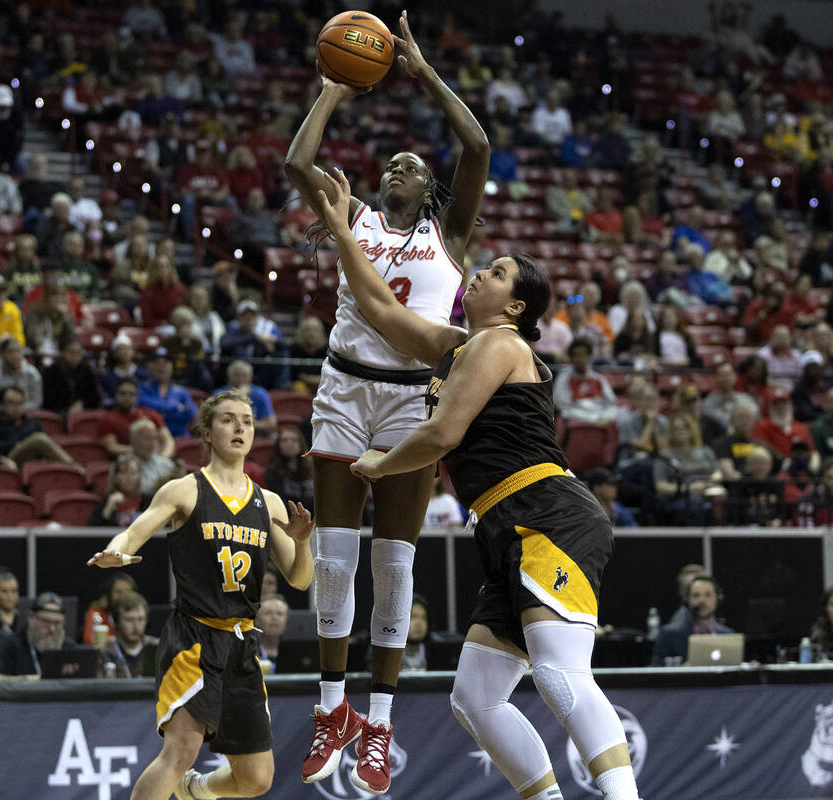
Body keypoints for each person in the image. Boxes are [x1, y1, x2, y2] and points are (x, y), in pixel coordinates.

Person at [316, 166, 641, 800]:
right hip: (502, 524)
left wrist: (381, 465)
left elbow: (440, 436)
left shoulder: (500, 344)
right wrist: (340, 233)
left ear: (516, 306)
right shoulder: (461, 345)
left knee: (560, 674)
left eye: (495, 274)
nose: (478, 273)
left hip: (547, 513)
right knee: (476, 697)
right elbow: (380, 309)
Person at [284, 16, 491, 792]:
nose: (399, 166)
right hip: (344, 387)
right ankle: (331, 707)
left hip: (414, 402)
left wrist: (426, 73)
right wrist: (334, 89)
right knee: (335, 559)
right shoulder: (355, 218)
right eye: (392, 163)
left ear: (429, 188)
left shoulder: (451, 237)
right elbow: (298, 158)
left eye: (411, 163)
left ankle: (379, 722)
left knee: (395, 563)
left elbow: (477, 148)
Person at [86, 389, 314, 800]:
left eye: (246, 419)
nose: (240, 427)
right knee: (181, 749)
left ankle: (197, 791)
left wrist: (301, 543)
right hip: (194, 637)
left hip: (243, 643)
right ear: (207, 433)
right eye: (228, 419)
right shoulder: (185, 490)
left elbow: (299, 580)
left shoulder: (270, 502)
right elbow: (137, 530)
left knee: (257, 779)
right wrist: (118, 552)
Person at [0, 592, 76, 679]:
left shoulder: (69, 648)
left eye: (57, 623)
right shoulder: (6, 646)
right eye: (46, 622)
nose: (52, 629)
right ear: (31, 618)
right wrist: (33, 680)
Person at [0, 386, 77, 466]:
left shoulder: (31, 423)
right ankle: (74, 468)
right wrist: (16, 443)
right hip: (6, 459)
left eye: (20, 403)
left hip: (31, 459)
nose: (16, 407)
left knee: (41, 443)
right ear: (1, 405)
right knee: (39, 439)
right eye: (11, 403)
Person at [651, 575, 734, 666]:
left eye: (708, 595)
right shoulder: (669, 635)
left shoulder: (728, 635)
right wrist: (682, 671)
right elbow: (656, 672)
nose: (702, 600)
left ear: (718, 599)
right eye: (696, 595)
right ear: (687, 600)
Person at [552, 338, 618, 423]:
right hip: (575, 421)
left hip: (600, 419)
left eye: (583, 355)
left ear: (589, 356)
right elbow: (563, 408)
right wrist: (591, 418)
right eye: (576, 355)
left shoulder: (599, 379)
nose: (580, 359)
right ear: (571, 358)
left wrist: (605, 416)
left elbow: (612, 403)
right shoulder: (563, 380)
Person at [98, 378, 168, 457]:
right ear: (115, 395)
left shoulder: (151, 414)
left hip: (155, 458)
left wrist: (164, 457)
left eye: (131, 394)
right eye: (123, 393)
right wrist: (142, 450)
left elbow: (168, 441)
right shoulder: (107, 419)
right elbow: (112, 447)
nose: (127, 397)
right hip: (127, 461)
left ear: (137, 396)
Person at [138, 346, 197, 438]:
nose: (161, 367)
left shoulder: (182, 391)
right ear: (151, 366)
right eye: (157, 363)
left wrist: (160, 413)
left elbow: (191, 413)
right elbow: (142, 405)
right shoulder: (143, 388)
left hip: (179, 437)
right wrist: (175, 407)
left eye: (165, 363)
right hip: (153, 438)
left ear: (172, 367)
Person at [102, 591, 157, 678]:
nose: (136, 626)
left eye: (140, 619)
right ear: (117, 622)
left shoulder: (157, 647)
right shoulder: (105, 651)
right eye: (129, 620)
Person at [42, 336, 102, 414]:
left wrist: (82, 404)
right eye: (71, 352)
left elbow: (94, 397)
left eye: (78, 353)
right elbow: (48, 401)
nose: (76, 357)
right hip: (58, 413)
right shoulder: (50, 372)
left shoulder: (87, 370)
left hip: (83, 412)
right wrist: (67, 410)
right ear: (61, 352)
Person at [215, 360, 277, 436]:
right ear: (229, 377)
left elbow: (271, 425)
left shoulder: (260, 394)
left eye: (244, 376)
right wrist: (240, 396)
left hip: (255, 437)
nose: (240, 380)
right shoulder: (219, 394)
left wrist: (246, 424)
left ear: (250, 378)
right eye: (237, 376)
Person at [89, 454, 153, 527]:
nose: (129, 477)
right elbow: (92, 532)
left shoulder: (149, 502)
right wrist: (109, 508)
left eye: (133, 473)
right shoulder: (105, 503)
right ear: (116, 477)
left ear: (139, 477)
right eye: (124, 472)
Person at [0, 337, 43, 410]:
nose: (15, 356)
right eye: (10, 352)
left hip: (27, 415)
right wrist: (8, 410)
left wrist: (18, 409)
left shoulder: (32, 373)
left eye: (18, 351)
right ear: (2, 354)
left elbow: (37, 402)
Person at [263, 424, 314, 513]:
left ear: (301, 444)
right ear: (278, 445)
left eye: (294, 440)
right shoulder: (272, 472)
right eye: (284, 440)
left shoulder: (313, 468)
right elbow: (278, 504)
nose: (289, 444)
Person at [82, 573, 139, 644]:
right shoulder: (97, 613)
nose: (124, 596)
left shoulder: (138, 613)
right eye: (119, 592)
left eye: (128, 592)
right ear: (109, 595)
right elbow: (89, 640)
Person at [255, 593, 289, 674]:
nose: (274, 617)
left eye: (279, 614)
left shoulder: (295, 652)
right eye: (268, 613)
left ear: (286, 621)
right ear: (257, 620)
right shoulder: (247, 650)